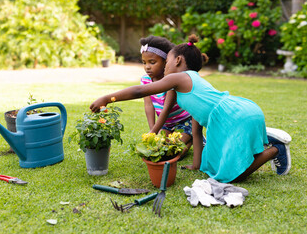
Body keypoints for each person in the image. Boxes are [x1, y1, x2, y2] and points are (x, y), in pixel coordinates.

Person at [90, 34, 291, 183]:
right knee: (213, 167)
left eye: (166, 61)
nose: (165, 67)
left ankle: (275, 149)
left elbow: (140, 91)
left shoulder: (179, 77)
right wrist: (196, 165)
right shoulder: (190, 86)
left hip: (233, 117)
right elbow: (196, 131)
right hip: (237, 113)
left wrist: (108, 98)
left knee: (231, 176)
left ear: (177, 61)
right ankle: (269, 142)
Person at [139, 36, 192, 157]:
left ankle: (191, 139)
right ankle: (185, 139)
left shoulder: (171, 80)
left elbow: (166, 109)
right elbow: (148, 105)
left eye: (152, 62)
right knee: (162, 149)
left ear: (165, 61)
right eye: (144, 62)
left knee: (174, 152)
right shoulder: (145, 80)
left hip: (184, 122)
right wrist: (153, 131)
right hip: (166, 124)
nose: (147, 66)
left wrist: (154, 131)